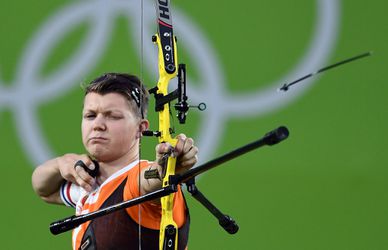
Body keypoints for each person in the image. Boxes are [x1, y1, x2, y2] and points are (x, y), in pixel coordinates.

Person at [31, 73, 198, 250]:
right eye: (90, 115)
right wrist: (60, 163)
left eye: (113, 116)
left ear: (140, 128)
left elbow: (152, 180)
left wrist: (167, 168)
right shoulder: (89, 183)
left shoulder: (137, 181)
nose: (98, 125)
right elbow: (43, 189)